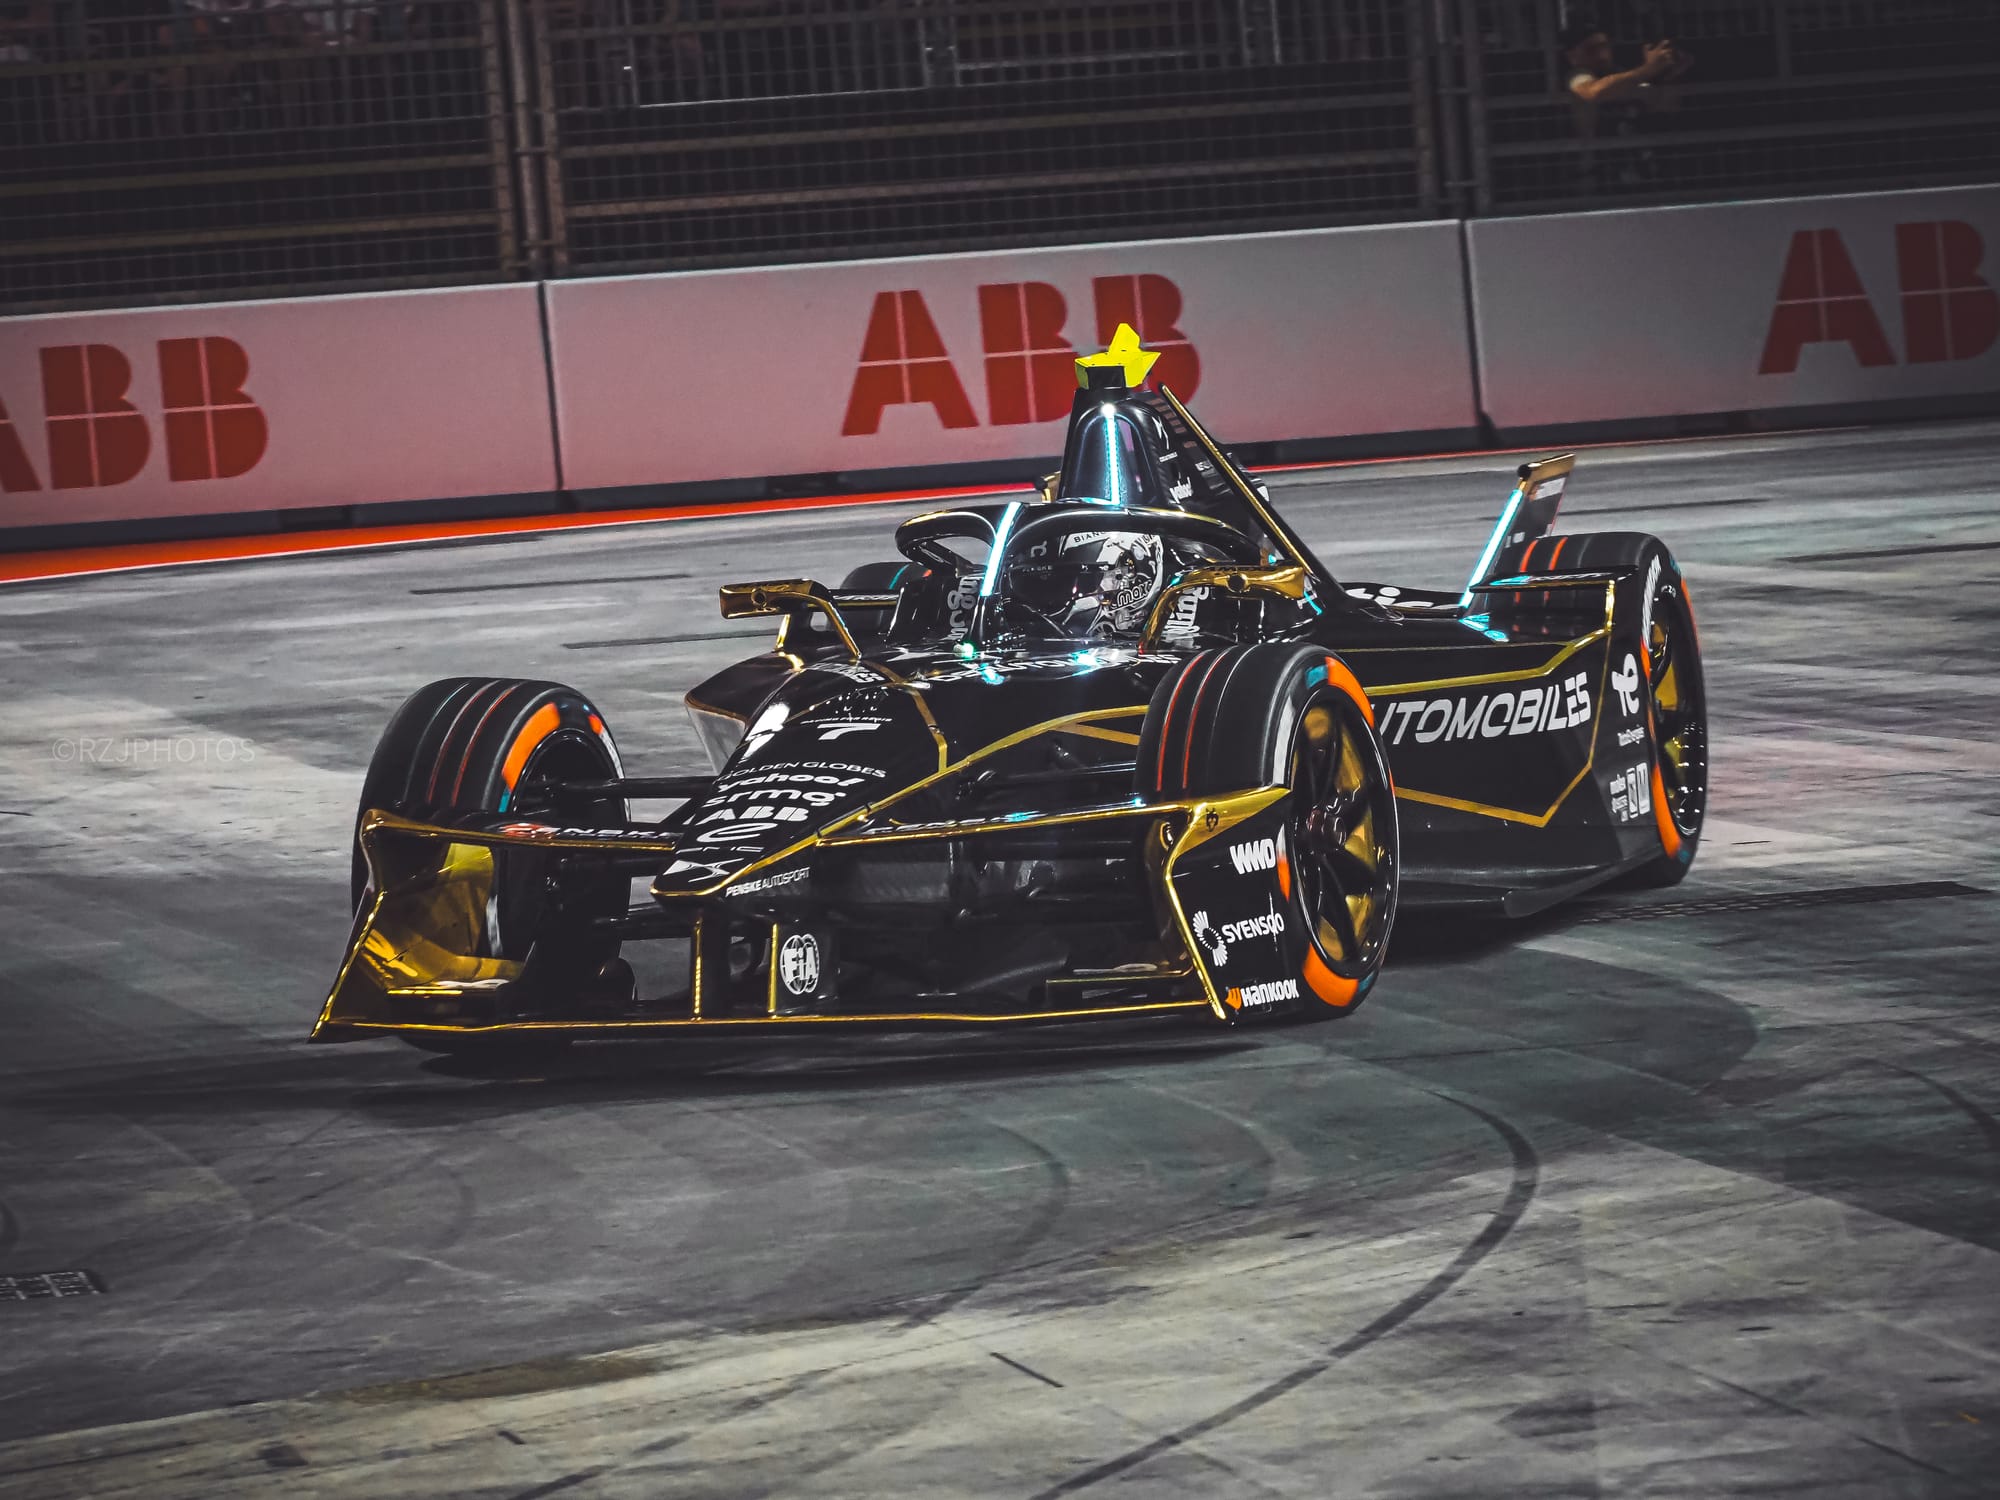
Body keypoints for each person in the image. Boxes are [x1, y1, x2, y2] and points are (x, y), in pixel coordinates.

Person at [1558, 16, 1692, 189]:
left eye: (1604, 46)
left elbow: (1664, 108)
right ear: (1572, 56)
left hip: (1639, 171)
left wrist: (1668, 75)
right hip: (1599, 177)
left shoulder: (1621, 74)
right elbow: (1593, 91)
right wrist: (1647, 70)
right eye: (1591, 49)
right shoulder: (1576, 75)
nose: (1602, 55)